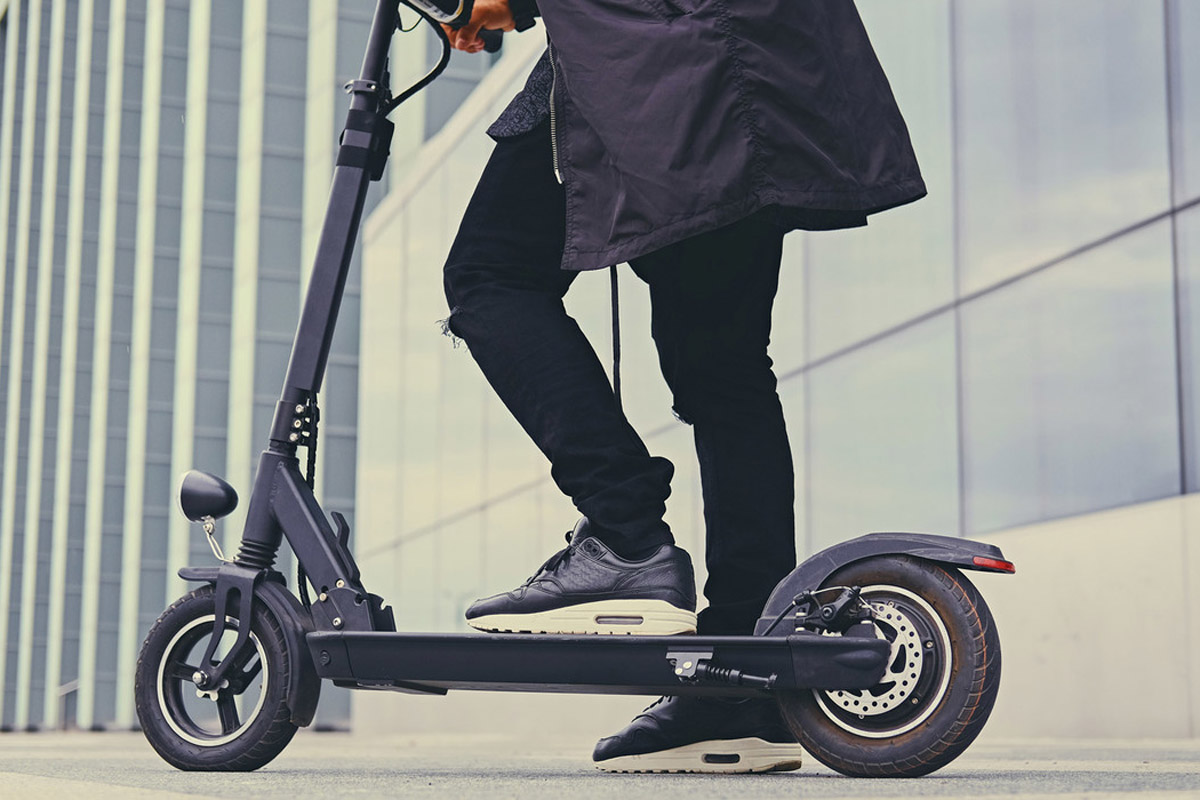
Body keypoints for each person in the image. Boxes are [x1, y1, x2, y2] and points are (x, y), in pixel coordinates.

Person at [439, 0, 925, 774]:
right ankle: (742, 684)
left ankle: (625, 535)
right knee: (724, 368)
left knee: (492, 275)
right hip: (749, 60)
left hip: (659, 54)